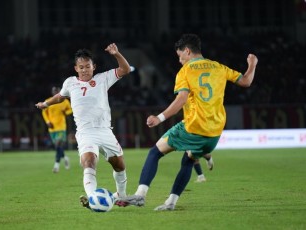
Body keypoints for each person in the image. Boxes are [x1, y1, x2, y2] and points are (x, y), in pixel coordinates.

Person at [115, 33, 258, 211]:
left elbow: (181, 99)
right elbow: (245, 81)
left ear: (188, 51)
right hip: (214, 133)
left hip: (194, 127)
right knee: (189, 160)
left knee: (155, 152)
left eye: (180, 56)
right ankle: (171, 203)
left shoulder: (186, 71)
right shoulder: (218, 67)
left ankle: (140, 195)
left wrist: (159, 118)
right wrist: (252, 65)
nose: (180, 60)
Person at [36, 43, 131, 210]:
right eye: (81, 67)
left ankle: (121, 196)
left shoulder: (103, 78)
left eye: (88, 66)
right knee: (88, 162)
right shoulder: (70, 83)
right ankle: (92, 198)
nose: (85, 70)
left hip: (104, 130)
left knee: (119, 165)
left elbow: (126, 69)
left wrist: (116, 53)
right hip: (85, 133)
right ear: (76, 68)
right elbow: (60, 96)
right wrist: (46, 103)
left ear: (94, 66)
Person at [41, 86, 73, 173]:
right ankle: (65, 157)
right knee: (57, 146)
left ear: (60, 91)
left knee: (58, 144)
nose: (55, 92)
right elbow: (44, 112)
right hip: (52, 128)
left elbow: (70, 110)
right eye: (54, 91)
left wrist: (65, 112)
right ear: (52, 92)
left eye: (57, 90)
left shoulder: (64, 101)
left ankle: (56, 165)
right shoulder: (49, 100)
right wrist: (47, 122)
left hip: (61, 126)